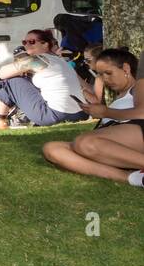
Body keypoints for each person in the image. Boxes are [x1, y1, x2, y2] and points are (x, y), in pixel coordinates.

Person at [42, 48, 144, 186]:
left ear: (126, 68)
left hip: (135, 132)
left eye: (108, 73)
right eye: (101, 75)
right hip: (116, 143)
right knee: (52, 149)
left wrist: (106, 112)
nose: (105, 79)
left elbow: (141, 113)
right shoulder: (119, 96)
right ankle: (132, 178)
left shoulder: (138, 86)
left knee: (84, 143)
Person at [0, 29, 88, 128]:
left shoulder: (39, 60)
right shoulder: (61, 62)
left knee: (10, 81)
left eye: (31, 42)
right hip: (79, 114)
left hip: (54, 115)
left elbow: (2, 73)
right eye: (24, 42)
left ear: (45, 44)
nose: (27, 45)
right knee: (12, 83)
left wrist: (20, 69)